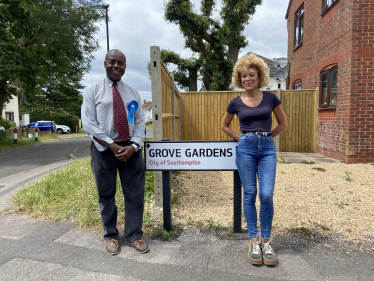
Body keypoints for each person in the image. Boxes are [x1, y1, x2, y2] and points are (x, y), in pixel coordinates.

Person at [221, 53, 288, 265]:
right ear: (239, 79)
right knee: (250, 193)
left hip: (267, 148)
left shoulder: (271, 98)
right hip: (246, 148)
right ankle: (254, 240)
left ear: (260, 77)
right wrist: (240, 138)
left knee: (266, 194)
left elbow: (282, 123)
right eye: (243, 76)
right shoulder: (235, 102)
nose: (247, 79)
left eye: (251, 75)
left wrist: (268, 138)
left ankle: (266, 241)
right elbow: (224, 125)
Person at [81, 49, 148, 255]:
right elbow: (89, 123)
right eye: (112, 62)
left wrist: (134, 146)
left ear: (125, 67)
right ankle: (111, 236)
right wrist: (112, 145)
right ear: (105, 63)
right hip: (104, 151)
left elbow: (140, 122)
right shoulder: (93, 91)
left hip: (131, 151)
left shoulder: (133, 92)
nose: (116, 66)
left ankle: (134, 235)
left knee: (135, 195)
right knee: (106, 195)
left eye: (121, 63)